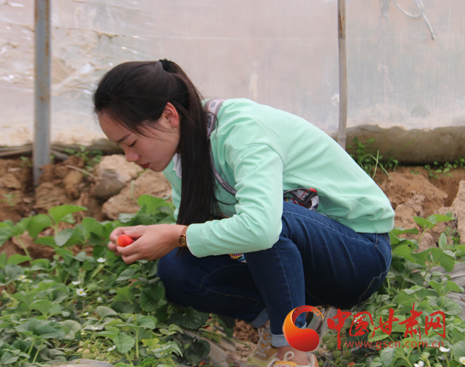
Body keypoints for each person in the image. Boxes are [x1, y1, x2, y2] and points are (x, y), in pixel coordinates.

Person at [94, 59, 394, 367]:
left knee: (263, 224)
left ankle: (295, 351)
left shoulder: (242, 131)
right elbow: (199, 231)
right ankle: (284, 321)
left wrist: (176, 234)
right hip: (299, 266)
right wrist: (157, 238)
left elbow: (261, 229)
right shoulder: (180, 157)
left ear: (169, 116)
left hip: (357, 255)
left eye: (131, 142)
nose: (129, 157)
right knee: (177, 268)